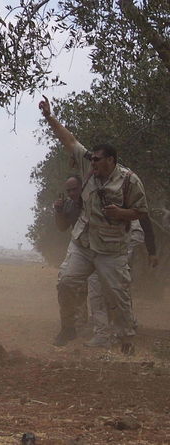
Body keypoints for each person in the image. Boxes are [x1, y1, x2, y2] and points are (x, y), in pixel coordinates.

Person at [40, 96, 148, 354]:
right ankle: (69, 327)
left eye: (99, 159)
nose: (94, 162)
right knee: (65, 281)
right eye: (93, 159)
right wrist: (49, 117)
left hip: (111, 248)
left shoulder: (129, 181)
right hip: (83, 242)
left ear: (111, 160)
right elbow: (69, 140)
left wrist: (122, 213)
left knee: (118, 294)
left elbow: (141, 212)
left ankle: (126, 340)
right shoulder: (88, 164)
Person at [54, 176, 159, 348]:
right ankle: (89, 326)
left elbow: (142, 216)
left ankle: (107, 333)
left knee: (106, 284)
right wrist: (58, 211)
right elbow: (64, 227)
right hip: (91, 245)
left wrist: (152, 249)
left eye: (75, 189)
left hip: (120, 241)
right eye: (69, 190)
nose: (72, 193)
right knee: (69, 281)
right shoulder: (72, 205)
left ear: (85, 188)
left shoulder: (104, 197)